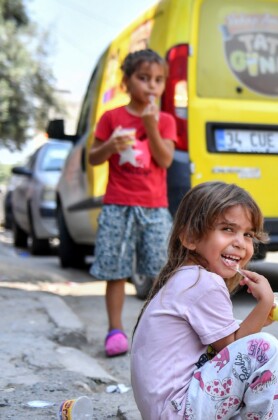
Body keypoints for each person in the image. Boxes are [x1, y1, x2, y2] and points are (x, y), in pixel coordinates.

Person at [131, 182, 278, 420]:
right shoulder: (202, 282)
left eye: (248, 234)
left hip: (169, 410)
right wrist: (265, 302)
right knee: (265, 349)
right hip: (178, 410)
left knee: (251, 347)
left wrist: (257, 320)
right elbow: (233, 348)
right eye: (227, 229)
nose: (240, 243)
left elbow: (223, 342)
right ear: (191, 237)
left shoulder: (187, 276)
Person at [87, 49, 177, 356]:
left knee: (161, 271)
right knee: (116, 270)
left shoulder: (164, 121)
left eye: (158, 80)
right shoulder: (112, 118)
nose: (151, 86)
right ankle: (115, 330)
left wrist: (151, 126)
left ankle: (158, 332)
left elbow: (165, 160)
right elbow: (93, 157)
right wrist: (111, 144)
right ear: (126, 82)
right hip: (117, 205)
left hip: (154, 207)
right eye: (143, 78)